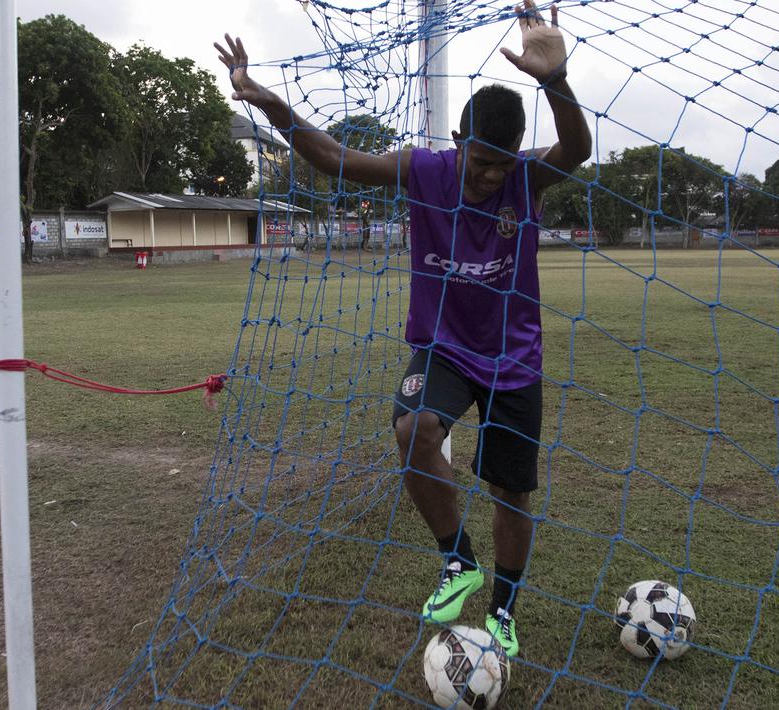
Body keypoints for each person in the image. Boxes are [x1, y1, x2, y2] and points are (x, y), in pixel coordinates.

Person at [216, 0, 591, 658]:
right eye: (479, 162)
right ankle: (456, 559)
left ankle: (503, 611)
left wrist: (555, 81)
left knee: (510, 491)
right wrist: (269, 103)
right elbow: (332, 157)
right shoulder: (423, 170)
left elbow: (578, 148)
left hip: (514, 358)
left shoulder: (525, 181)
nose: (488, 176)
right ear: (457, 144)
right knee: (412, 429)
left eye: (500, 165)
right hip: (442, 349)